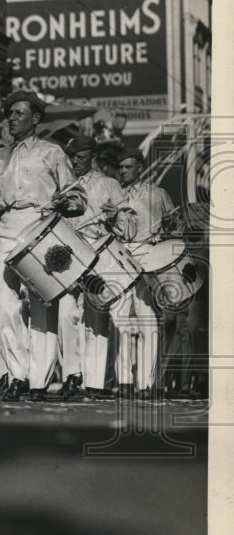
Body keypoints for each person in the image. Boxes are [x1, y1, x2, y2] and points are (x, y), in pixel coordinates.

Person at [0, 90, 86, 401]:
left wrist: (65, 202)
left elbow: (77, 196)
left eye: (19, 113)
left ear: (36, 118)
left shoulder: (52, 152)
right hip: (6, 229)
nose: (12, 118)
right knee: (5, 307)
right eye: (10, 113)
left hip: (42, 228)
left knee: (42, 305)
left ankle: (38, 381)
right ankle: (17, 375)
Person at [58, 136, 136, 398]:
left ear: (92, 157)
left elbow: (129, 226)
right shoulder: (62, 185)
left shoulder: (108, 184)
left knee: (96, 320)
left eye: (79, 157)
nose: (74, 162)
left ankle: (95, 382)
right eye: (70, 157)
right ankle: (72, 374)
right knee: (66, 315)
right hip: (69, 255)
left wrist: (116, 217)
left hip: (98, 253)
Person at [112, 148, 176, 400]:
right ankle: (124, 381)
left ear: (140, 167)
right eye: (120, 167)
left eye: (128, 167)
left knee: (147, 319)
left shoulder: (157, 194)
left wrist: (165, 235)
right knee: (120, 320)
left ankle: (147, 383)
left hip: (149, 257)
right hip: (119, 258)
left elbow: (175, 225)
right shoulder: (115, 195)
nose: (123, 171)